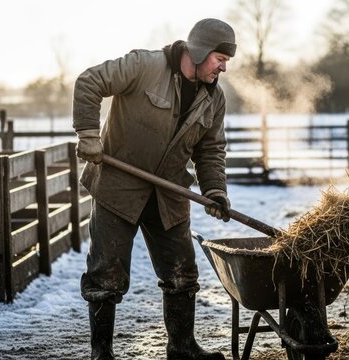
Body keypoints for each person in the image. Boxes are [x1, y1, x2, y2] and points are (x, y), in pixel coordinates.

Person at [72, 18, 236, 360]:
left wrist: (215, 190)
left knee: (182, 275)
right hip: (118, 190)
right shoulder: (145, 66)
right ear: (201, 50)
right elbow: (89, 82)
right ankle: (101, 353)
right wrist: (88, 133)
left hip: (169, 195)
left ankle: (182, 348)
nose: (223, 67)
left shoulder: (214, 98)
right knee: (106, 276)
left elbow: (210, 150)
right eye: (220, 58)